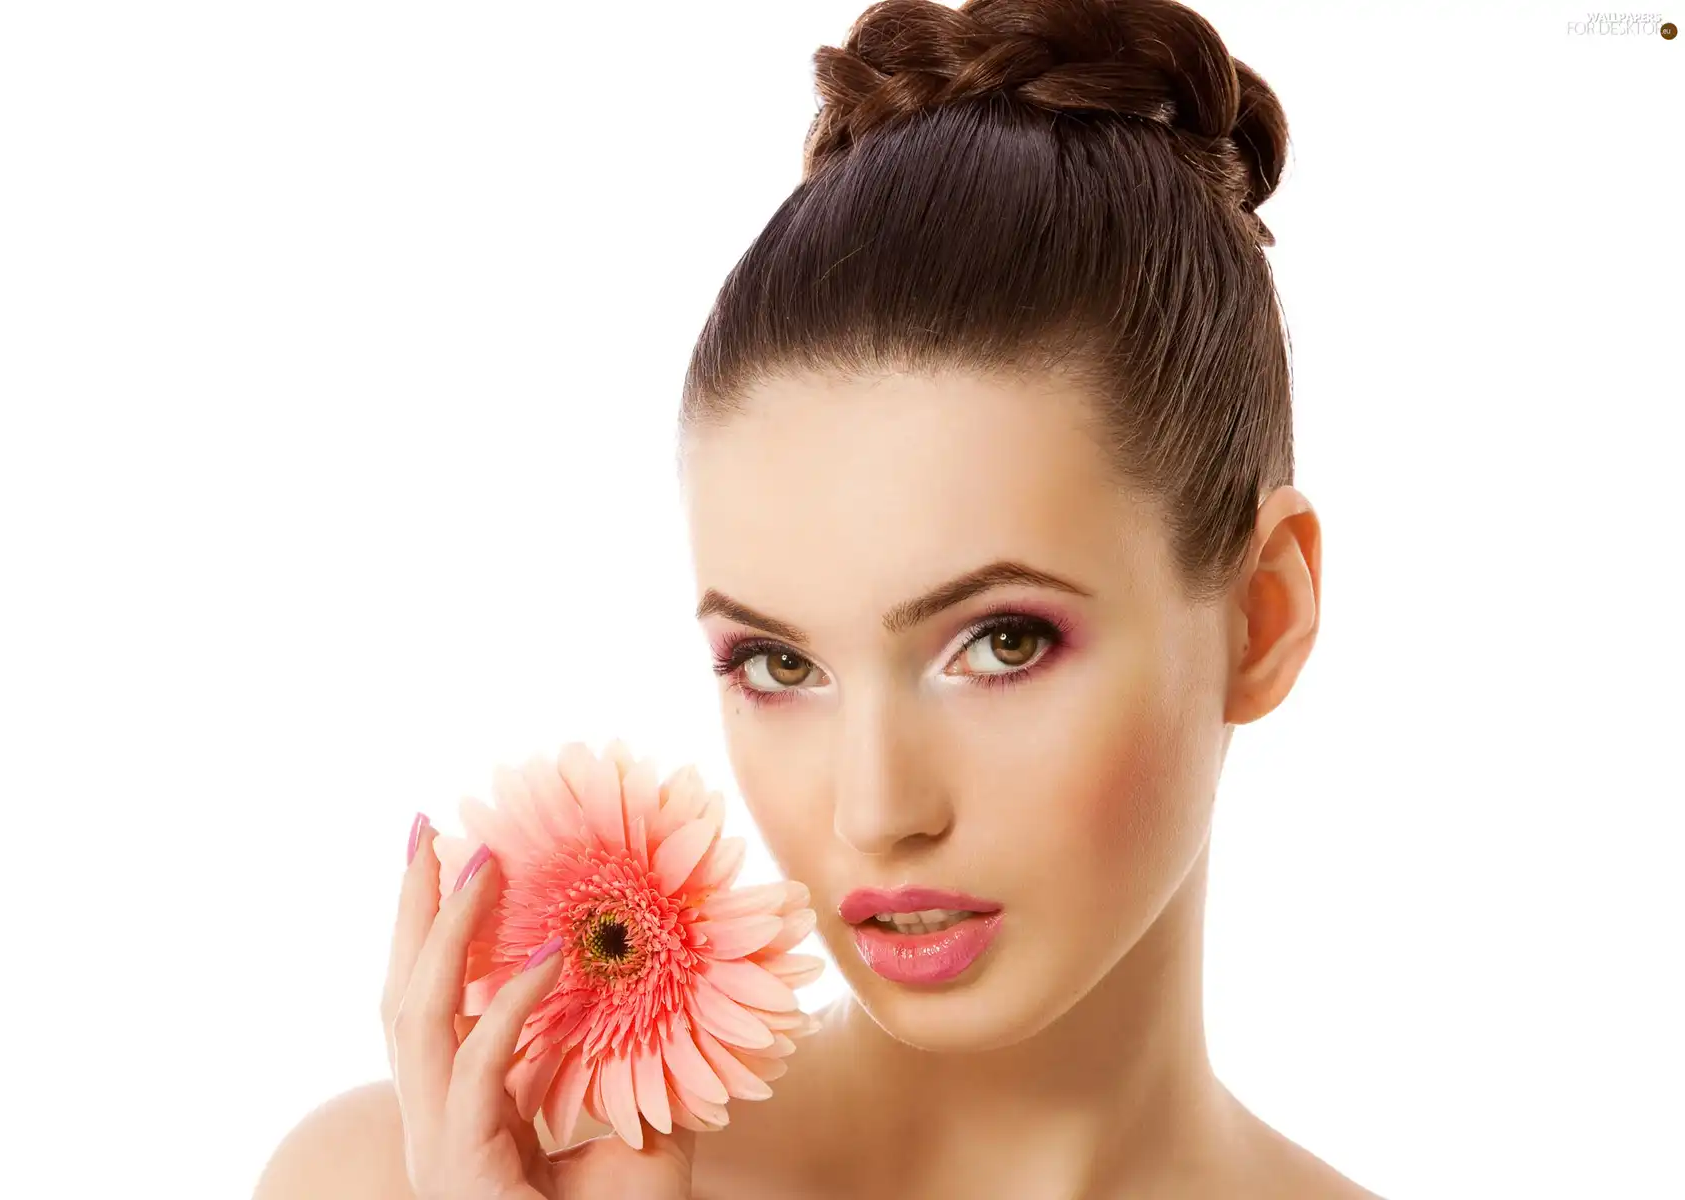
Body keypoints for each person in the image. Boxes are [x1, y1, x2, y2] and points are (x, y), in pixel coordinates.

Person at [253, 0, 1384, 1195]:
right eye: (779, 665)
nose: (876, 810)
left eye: (999, 642)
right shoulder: (416, 1176)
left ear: (1263, 614)